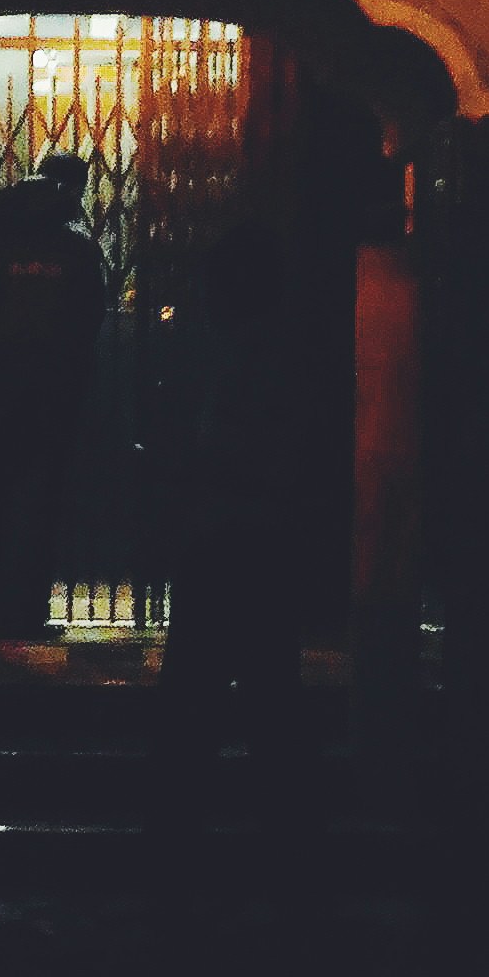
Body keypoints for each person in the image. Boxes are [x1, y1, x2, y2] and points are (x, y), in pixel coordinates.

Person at [149, 218, 309, 831]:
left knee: (197, 700)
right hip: (263, 544)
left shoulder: (223, 363)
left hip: (221, 544)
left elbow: (207, 449)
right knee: (271, 701)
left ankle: (179, 834)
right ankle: (281, 838)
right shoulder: (282, 359)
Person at [0, 153, 110, 637]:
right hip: (52, 398)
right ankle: (25, 611)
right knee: (38, 505)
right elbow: (89, 320)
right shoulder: (77, 250)